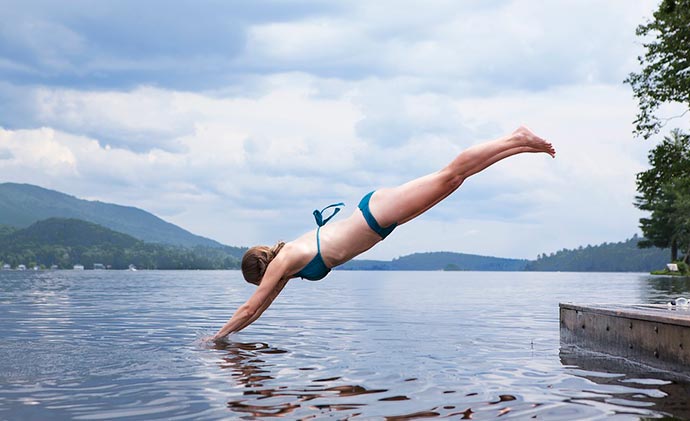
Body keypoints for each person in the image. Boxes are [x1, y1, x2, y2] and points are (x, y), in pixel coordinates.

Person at [213, 126, 555, 340]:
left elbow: (249, 308)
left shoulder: (284, 261)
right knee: (454, 181)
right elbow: (260, 309)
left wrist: (212, 340)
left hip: (374, 215)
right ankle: (519, 146)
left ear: (259, 273)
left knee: (449, 174)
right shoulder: (287, 266)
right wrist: (227, 339)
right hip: (380, 223)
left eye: (259, 283)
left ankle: (516, 138)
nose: (264, 288)